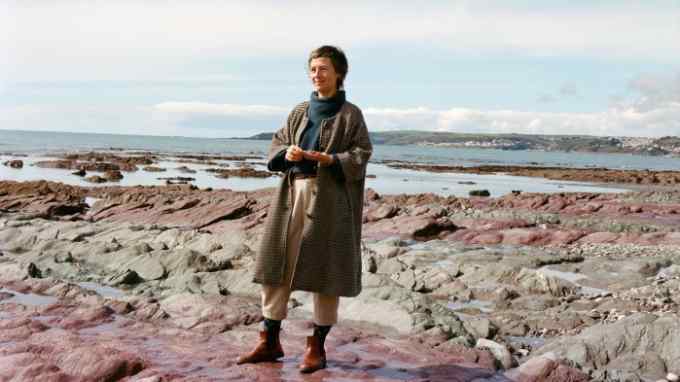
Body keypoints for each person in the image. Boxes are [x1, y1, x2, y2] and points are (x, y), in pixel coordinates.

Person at [236, 45, 372, 373]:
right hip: (291, 195)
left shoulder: (351, 114)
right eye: (313, 69)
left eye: (323, 69)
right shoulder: (299, 110)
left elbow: (362, 153)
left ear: (339, 74)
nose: (317, 74)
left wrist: (330, 160)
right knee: (276, 263)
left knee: (327, 270)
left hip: (330, 201)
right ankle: (270, 340)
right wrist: (288, 154)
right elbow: (277, 144)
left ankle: (317, 347)